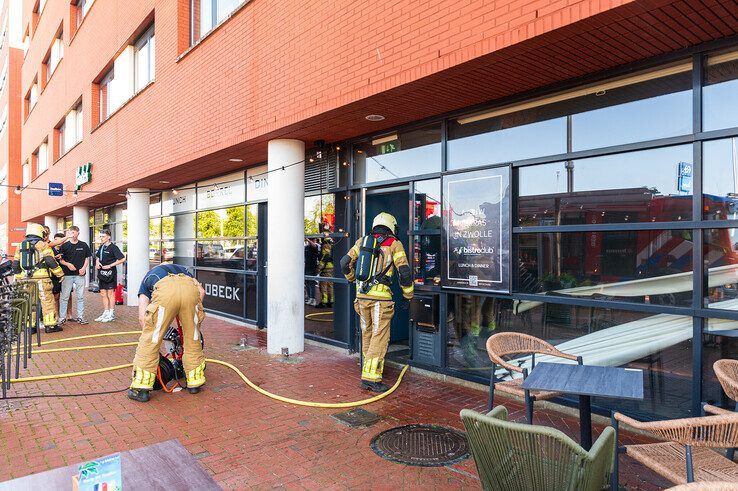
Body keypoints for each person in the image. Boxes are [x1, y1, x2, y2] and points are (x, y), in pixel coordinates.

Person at [340, 212, 414, 392]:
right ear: (391, 226)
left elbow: (344, 263)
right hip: (381, 301)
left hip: (361, 298)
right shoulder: (394, 244)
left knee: (367, 334)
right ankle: (371, 378)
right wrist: (408, 296)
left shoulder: (362, 241)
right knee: (379, 336)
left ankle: (367, 369)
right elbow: (404, 272)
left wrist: (351, 279)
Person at [128, 263, 206, 403]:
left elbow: (142, 317)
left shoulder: (147, 280)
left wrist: (155, 330)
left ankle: (141, 389)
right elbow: (201, 292)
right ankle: (195, 383)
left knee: (150, 341)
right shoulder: (185, 272)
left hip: (166, 292)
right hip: (190, 291)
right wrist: (190, 314)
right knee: (193, 339)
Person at [12, 222, 65, 333]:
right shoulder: (43, 244)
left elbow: (16, 263)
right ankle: (50, 325)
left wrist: (18, 277)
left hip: (25, 279)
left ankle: (30, 327)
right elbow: (50, 261)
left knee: (29, 302)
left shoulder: (20, 245)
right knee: (47, 301)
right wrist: (60, 273)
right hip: (42, 279)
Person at [58, 226, 91, 325]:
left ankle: (80, 317)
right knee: (64, 297)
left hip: (80, 275)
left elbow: (87, 258)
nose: (73, 234)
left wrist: (84, 268)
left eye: (74, 232)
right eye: (71, 232)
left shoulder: (84, 245)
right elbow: (60, 260)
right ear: (68, 233)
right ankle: (62, 318)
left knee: (80, 296)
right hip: (67, 275)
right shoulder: (64, 246)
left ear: (78, 233)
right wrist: (68, 264)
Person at [94, 229, 125, 323]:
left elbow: (122, 258)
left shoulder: (113, 247)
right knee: (103, 293)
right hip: (101, 273)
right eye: (100, 236)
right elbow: (98, 257)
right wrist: (97, 263)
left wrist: (110, 265)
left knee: (110, 293)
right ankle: (106, 312)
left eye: (103, 236)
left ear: (109, 237)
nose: (101, 238)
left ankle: (111, 314)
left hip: (110, 273)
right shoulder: (101, 247)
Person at [51, 232, 71, 320]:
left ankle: (69, 314)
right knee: (56, 296)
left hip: (66, 274)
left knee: (68, 295)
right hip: (54, 276)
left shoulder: (67, 249)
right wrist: (55, 258)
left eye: (59, 240)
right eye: (56, 240)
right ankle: (57, 315)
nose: (58, 241)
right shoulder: (50, 249)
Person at [317, 222, 334, 308]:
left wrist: (319, 268)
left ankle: (324, 302)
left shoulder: (326, 244)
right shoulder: (331, 242)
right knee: (330, 285)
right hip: (331, 267)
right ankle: (331, 301)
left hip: (326, 268)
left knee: (323, 285)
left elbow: (325, 257)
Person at [304, 238, 319, 306]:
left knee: (312, 283)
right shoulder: (306, 247)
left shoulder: (315, 247)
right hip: (306, 267)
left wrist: (308, 240)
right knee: (307, 283)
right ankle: (310, 297)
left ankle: (313, 298)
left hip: (312, 267)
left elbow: (314, 245)